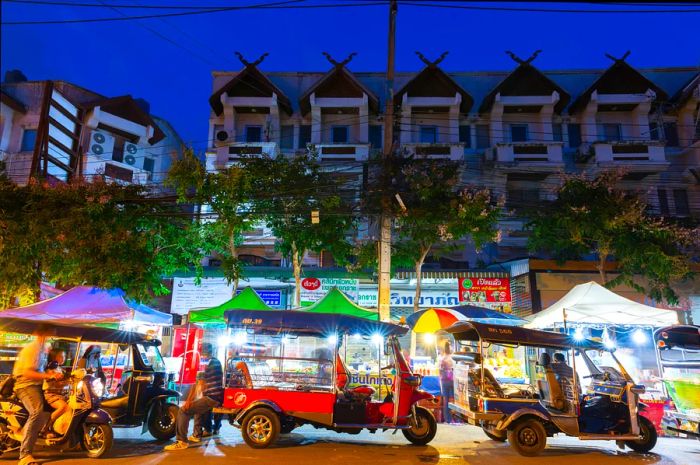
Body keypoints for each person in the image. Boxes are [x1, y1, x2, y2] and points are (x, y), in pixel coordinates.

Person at [12, 325, 62, 465]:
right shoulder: (32, 348)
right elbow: (27, 372)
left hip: (37, 385)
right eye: (52, 333)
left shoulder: (42, 349)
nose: (53, 336)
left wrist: (52, 375)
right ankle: (25, 455)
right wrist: (47, 375)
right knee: (37, 412)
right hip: (26, 385)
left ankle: (42, 432)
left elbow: (39, 370)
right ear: (43, 333)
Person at [164, 343, 224, 451]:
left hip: (212, 397)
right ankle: (200, 433)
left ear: (201, 353)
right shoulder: (216, 361)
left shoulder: (205, 362)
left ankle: (181, 441)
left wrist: (189, 400)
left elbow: (198, 383)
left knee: (183, 410)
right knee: (198, 408)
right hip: (217, 396)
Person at [42, 349, 70, 436]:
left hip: (62, 395)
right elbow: (56, 384)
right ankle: (45, 427)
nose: (63, 358)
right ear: (54, 357)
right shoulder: (51, 369)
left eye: (64, 356)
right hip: (51, 395)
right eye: (61, 356)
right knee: (63, 407)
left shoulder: (61, 369)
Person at [438, 341, 455, 423]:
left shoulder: (442, 358)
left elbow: (440, 370)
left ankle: (447, 419)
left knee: (445, 400)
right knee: (452, 400)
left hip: (444, 380)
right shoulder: (452, 358)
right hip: (452, 380)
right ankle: (453, 419)